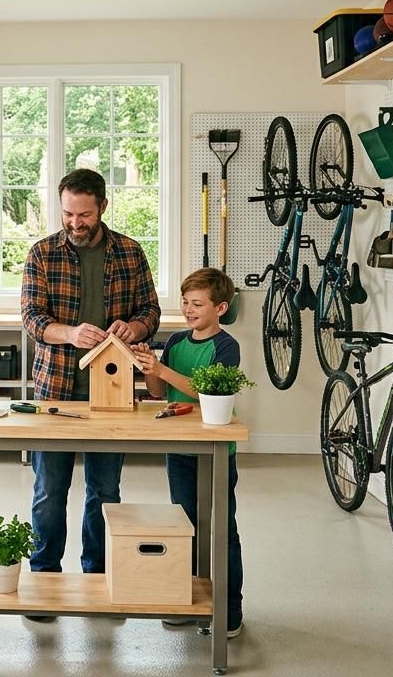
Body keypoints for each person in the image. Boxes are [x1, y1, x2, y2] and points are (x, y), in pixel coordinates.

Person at [21, 168, 161, 582]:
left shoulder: (130, 252)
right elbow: (31, 317)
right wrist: (70, 333)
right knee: (49, 491)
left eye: (84, 215)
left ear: (103, 207)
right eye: (67, 214)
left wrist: (133, 328)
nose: (75, 223)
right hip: (55, 392)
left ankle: (97, 576)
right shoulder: (42, 253)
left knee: (104, 491)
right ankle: (44, 575)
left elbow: (150, 312)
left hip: (112, 396)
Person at [132, 267, 245, 637]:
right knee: (185, 527)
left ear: (220, 308)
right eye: (184, 302)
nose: (188, 309)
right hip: (179, 449)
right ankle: (187, 600)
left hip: (214, 450)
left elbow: (209, 391)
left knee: (223, 528)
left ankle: (229, 609)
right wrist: (150, 367)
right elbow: (157, 392)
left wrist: (162, 369)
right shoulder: (177, 340)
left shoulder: (227, 347)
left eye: (197, 303)